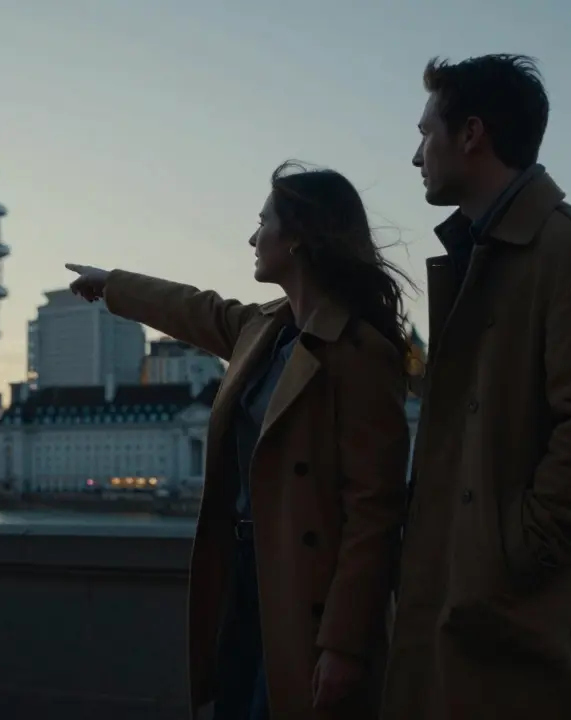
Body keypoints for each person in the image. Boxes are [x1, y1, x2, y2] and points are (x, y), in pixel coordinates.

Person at [66, 161, 412, 720]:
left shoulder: (361, 352)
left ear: (297, 236)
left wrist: (345, 643)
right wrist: (114, 285)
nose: (252, 237)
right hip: (244, 570)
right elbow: (196, 309)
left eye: (263, 222)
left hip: (305, 585)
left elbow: (374, 511)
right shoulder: (264, 330)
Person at [380, 55, 571, 720]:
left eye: (424, 134)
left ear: (470, 134)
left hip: (532, 615)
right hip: (481, 606)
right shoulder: (489, 255)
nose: (416, 156)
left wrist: (512, 554)